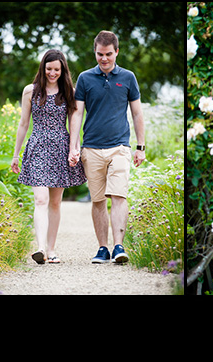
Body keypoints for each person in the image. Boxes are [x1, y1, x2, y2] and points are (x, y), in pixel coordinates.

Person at [68, 30, 146, 264]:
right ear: (95, 52)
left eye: (108, 54)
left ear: (117, 52)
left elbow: (137, 112)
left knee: (119, 195)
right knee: (98, 200)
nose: (104, 59)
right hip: (91, 148)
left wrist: (140, 146)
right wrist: (74, 146)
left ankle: (119, 246)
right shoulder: (84, 78)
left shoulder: (129, 77)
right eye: (100, 54)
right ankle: (103, 248)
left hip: (119, 147)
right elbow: (77, 112)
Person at [11, 49, 86, 264]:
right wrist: (16, 155)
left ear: (62, 71)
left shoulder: (69, 92)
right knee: (40, 199)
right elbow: (24, 123)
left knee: (55, 202)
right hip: (37, 147)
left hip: (60, 148)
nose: (52, 73)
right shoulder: (30, 91)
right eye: (49, 69)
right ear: (43, 68)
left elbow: (74, 124)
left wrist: (74, 149)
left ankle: (51, 249)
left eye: (56, 70)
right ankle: (41, 248)